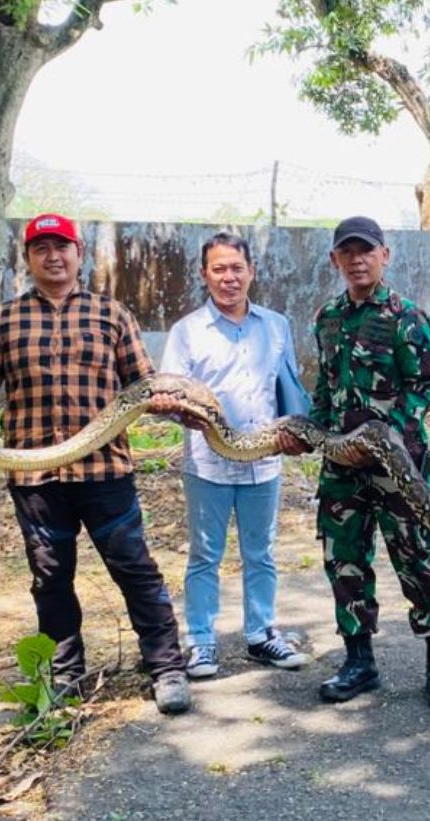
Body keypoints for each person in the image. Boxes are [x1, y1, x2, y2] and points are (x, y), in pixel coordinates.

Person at [0, 213, 192, 715]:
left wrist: (168, 402)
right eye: (41, 248)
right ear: (26, 258)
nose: (53, 256)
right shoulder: (3, 320)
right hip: (35, 476)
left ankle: (167, 668)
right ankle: (66, 675)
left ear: (79, 254)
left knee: (135, 569)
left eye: (62, 246)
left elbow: (146, 382)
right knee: (51, 579)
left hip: (105, 472)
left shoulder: (111, 315)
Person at [278, 215, 430, 708]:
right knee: (345, 561)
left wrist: (381, 437)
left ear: (385, 255)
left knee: (417, 559)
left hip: (400, 466)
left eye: (366, 251)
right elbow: (325, 388)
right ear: (335, 260)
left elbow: (423, 388)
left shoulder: (406, 316)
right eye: (347, 252)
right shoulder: (327, 317)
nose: (357, 260)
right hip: (342, 468)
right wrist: (310, 432)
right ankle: (359, 663)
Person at [159, 232, 312, 679]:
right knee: (205, 553)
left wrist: (295, 429)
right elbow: (169, 396)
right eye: (219, 269)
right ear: (205, 275)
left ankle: (262, 635)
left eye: (237, 268)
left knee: (261, 552)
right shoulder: (186, 332)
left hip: (264, 460)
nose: (229, 278)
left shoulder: (276, 324)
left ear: (251, 271)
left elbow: (288, 388)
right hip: (208, 463)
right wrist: (183, 415)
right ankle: (202, 642)